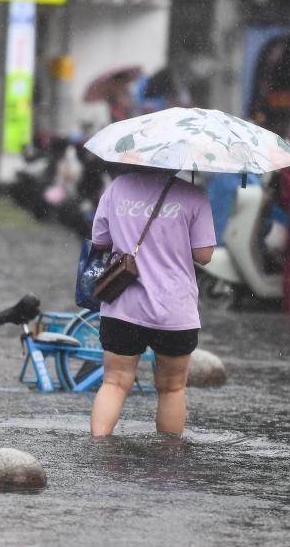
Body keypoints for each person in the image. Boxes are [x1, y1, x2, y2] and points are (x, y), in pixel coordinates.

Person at [89, 168, 216, 437]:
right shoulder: (194, 195)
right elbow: (204, 255)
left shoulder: (118, 186)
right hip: (174, 311)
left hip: (123, 305)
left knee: (114, 383)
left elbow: (100, 240)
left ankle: (98, 448)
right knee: (172, 388)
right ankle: (168, 457)